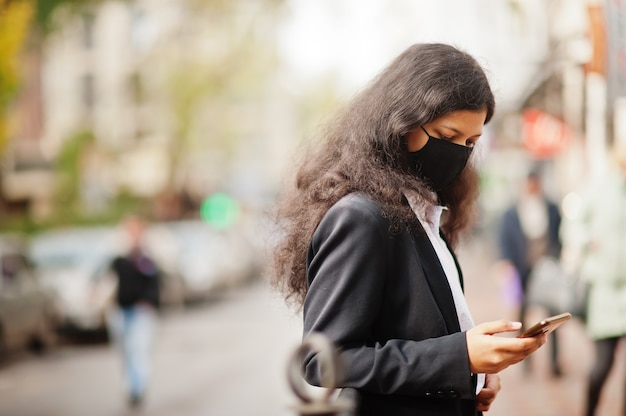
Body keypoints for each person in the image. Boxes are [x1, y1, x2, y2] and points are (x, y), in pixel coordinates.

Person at [271, 43, 546, 416]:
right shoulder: (360, 217)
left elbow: (419, 332)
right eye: (447, 137)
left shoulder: (423, 212)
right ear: (401, 122)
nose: (459, 153)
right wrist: (459, 357)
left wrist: (471, 379)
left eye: (470, 143)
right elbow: (324, 360)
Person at [563, 144, 626, 416]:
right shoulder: (598, 188)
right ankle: (588, 411)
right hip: (605, 291)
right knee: (603, 364)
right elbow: (570, 226)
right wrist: (588, 240)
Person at [497, 169, 563, 376]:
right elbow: (505, 239)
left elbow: (558, 236)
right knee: (522, 316)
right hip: (522, 268)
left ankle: (554, 363)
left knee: (553, 316)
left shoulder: (552, 208)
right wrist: (505, 263)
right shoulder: (511, 211)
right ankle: (525, 360)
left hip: (547, 269)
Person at [107, 215, 161, 407]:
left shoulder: (146, 257)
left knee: (138, 350)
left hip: (140, 314)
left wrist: (148, 303)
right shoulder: (119, 258)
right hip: (121, 312)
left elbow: (154, 284)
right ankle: (130, 387)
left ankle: (138, 389)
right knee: (126, 352)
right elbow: (107, 280)